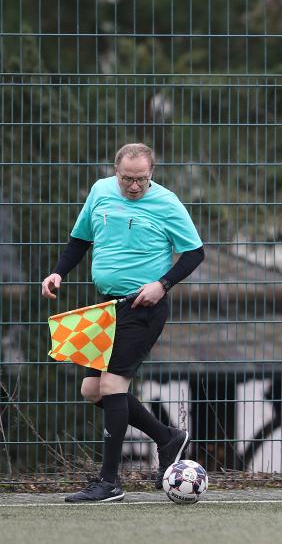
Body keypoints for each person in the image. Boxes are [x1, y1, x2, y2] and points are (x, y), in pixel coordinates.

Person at [41, 143, 204, 503]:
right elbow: (80, 239)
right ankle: (167, 437)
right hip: (106, 308)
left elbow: (195, 251)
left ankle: (109, 483)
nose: (134, 186)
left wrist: (162, 285)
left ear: (152, 173)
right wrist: (58, 272)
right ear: (116, 172)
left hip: (143, 309)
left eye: (141, 180)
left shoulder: (166, 203)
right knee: (92, 391)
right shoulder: (100, 192)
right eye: (127, 179)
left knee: (113, 385)